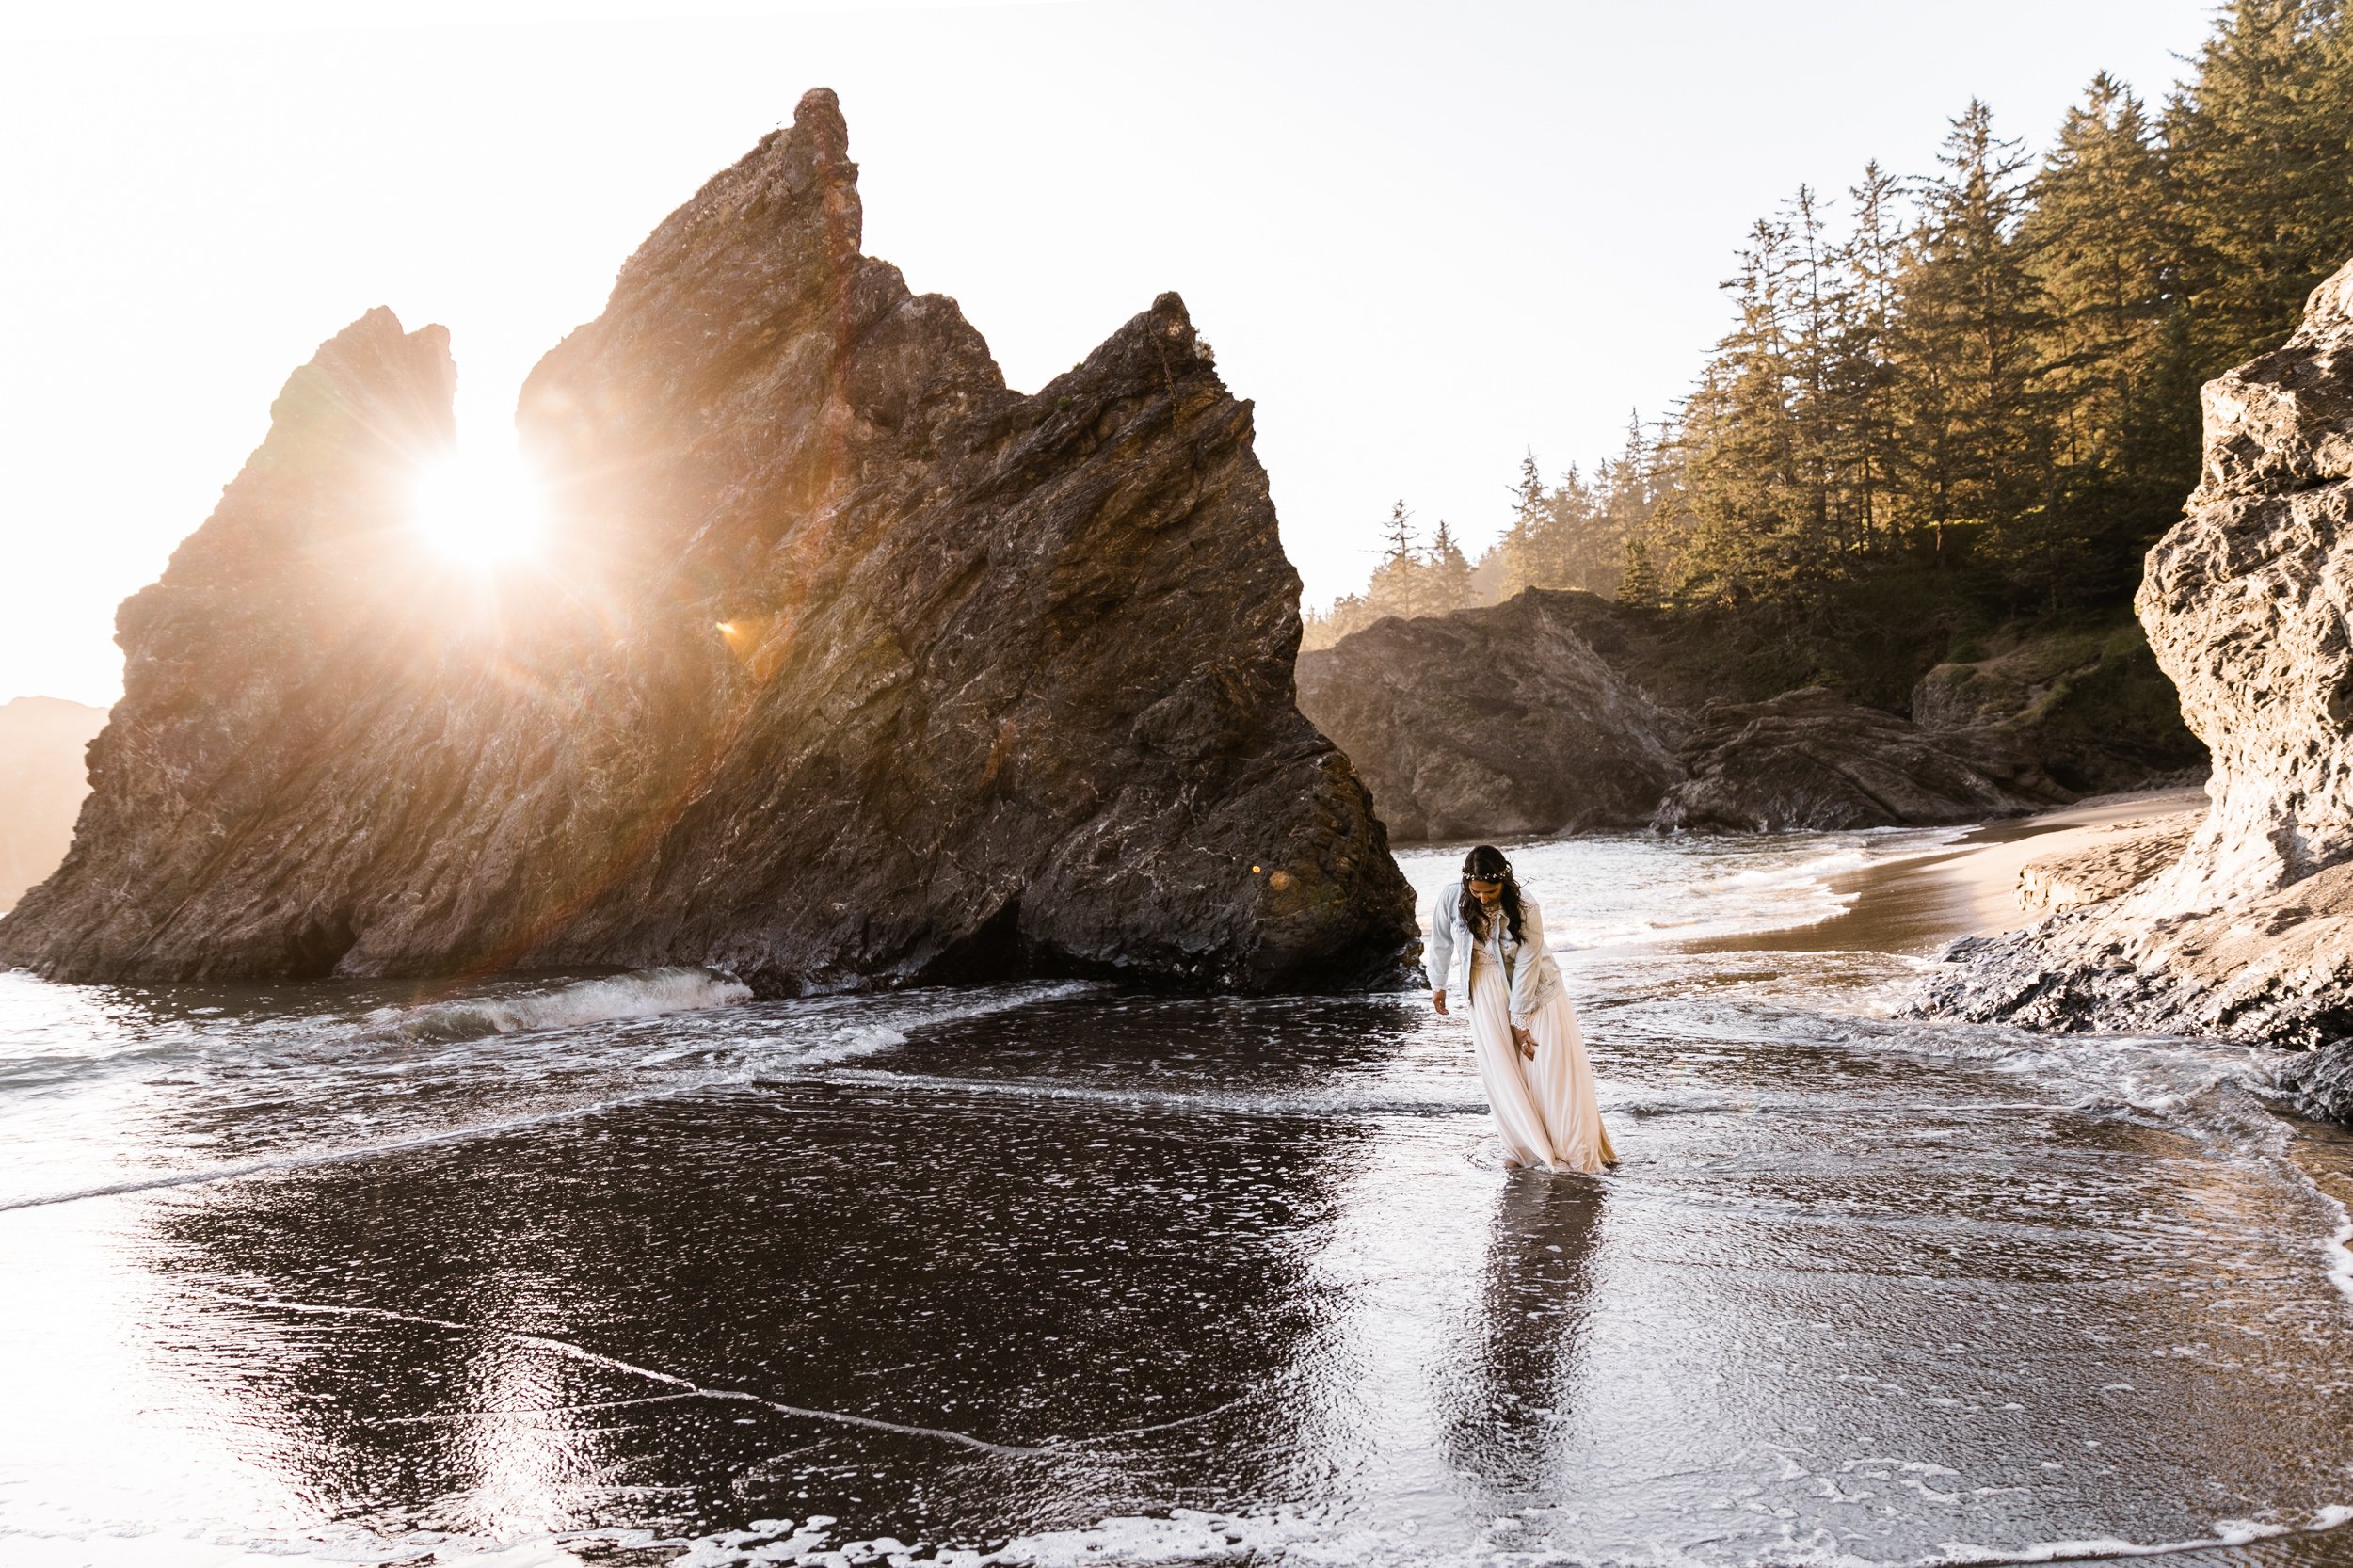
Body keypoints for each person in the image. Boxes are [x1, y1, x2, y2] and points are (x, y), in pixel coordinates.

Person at [1430, 845, 1615, 1175]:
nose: (1483, 899)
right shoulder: (1452, 897)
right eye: (1476, 892)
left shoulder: (1526, 905)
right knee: (1504, 1072)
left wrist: (1520, 1018)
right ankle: (1524, 1147)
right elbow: (1441, 940)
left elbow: (1529, 962)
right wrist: (1439, 983)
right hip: (1483, 990)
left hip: (1537, 992)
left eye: (1491, 892)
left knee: (1547, 1068)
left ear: (1505, 882)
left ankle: (1572, 1149)